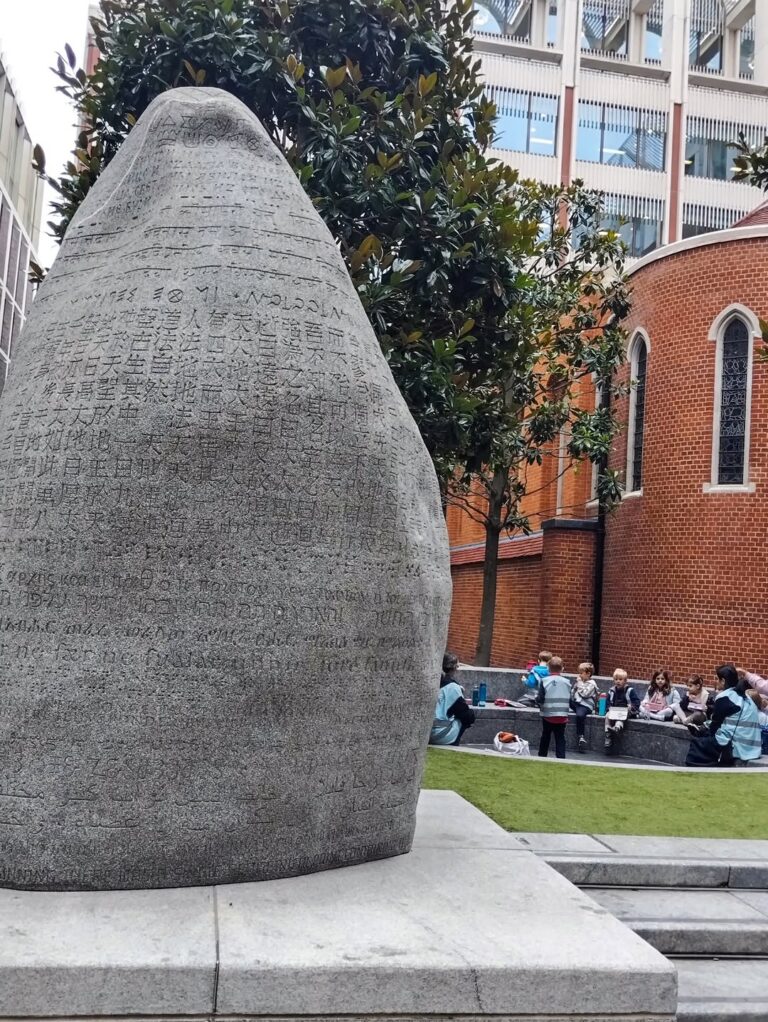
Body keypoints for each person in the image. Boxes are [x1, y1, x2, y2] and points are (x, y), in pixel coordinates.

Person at [685, 664, 763, 767]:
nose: (717, 682)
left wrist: (702, 732)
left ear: (723, 681)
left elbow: (715, 726)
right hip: (753, 748)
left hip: (737, 748)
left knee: (697, 745)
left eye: (717, 679)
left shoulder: (725, 697)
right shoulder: (746, 697)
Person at [429, 652, 476, 746]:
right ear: (454, 668)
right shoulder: (453, 688)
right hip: (440, 734)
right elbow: (466, 715)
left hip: (424, 733)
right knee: (468, 716)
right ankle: (453, 744)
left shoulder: (430, 681)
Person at [537, 655, 571, 759]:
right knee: (560, 738)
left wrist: (537, 703)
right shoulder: (567, 682)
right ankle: (561, 757)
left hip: (548, 714)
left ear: (548, 668)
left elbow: (540, 698)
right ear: (562, 669)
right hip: (562, 715)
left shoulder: (544, 681)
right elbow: (570, 697)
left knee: (545, 736)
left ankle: (542, 755)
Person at [604, 669, 641, 751]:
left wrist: (631, 707)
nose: (618, 681)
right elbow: (608, 702)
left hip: (626, 711)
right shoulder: (611, 691)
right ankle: (608, 734)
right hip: (614, 710)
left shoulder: (630, 690)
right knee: (607, 715)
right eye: (616, 679)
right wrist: (608, 708)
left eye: (620, 680)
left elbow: (637, 702)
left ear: (625, 681)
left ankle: (617, 728)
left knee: (621, 715)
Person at [571, 661, 598, 753]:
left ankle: (581, 736)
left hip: (585, 705)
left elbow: (585, 694)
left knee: (580, 715)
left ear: (588, 674)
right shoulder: (580, 682)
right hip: (577, 703)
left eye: (581, 673)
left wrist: (579, 683)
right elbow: (573, 693)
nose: (580, 675)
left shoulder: (592, 684)